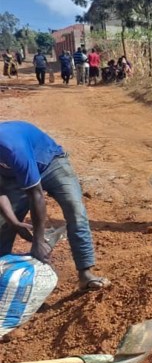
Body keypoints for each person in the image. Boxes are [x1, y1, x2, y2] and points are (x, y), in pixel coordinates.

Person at [0, 121, 110, 290]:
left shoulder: (11, 147)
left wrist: (38, 241)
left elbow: (35, 194)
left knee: (75, 210)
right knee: (3, 225)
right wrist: (14, 222)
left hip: (51, 163)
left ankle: (85, 274)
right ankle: (6, 285)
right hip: (13, 176)